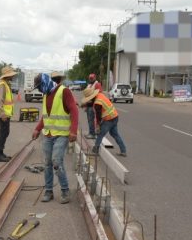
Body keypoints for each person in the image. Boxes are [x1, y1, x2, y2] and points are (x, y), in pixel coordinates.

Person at [32, 71, 79, 204]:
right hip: (48, 134)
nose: (40, 90)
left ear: (46, 82)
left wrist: (73, 131)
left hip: (62, 134)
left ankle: (65, 190)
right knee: (47, 163)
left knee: (56, 162)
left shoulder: (64, 91)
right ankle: (48, 191)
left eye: (40, 87)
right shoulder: (46, 95)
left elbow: (74, 110)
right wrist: (37, 128)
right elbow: (46, 116)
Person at [80, 86, 127, 157]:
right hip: (115, 116)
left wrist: (98, 125)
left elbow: (98, 116)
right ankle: (123, 150)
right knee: (115, 134)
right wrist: (85, 105)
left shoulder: (97, 103)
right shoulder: (99, 95)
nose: (89, 100)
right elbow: (93, 102)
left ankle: (95, 150)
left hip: (109, 119)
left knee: (100, 134)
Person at [0, 65, 17, 162]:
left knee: (4, 133)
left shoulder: (5, 84)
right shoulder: (2, 85)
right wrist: (3, 114)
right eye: (12, 75)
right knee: (3, 133)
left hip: (5, 114)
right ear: (8, 76)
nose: (13, 76)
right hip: (3, 114)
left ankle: (0, 152)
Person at [84, 73, 102, 138]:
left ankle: (92, 134)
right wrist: (85, 105)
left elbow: (99, 94)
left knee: (92, 120)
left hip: (93, 105)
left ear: (95, 78)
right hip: (89, 105)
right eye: (90, 78)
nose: (91, 79)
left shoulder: (97, 84)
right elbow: (87, 95)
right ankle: (91, 132)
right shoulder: (89, 85)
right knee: (89, 120)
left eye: (92, 78)